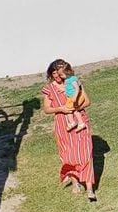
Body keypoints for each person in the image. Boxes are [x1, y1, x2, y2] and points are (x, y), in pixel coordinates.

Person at [41, 59, 97, 202]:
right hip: (63, 125)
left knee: (86, 153)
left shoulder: (73, 82)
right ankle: (75, 182)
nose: (57, 76)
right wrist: (61, 108)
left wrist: (74, 108)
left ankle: (90, 189)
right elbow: (46, 109)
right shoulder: (49, 89)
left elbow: (87, 101)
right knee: (68, 155)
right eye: (54, 73)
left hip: (80, 121)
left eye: (59, 72)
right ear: (51, 74)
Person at [57, 62, 86, 132]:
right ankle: (81, 123)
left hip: (74, 97)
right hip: (72, 97)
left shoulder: (72, 79)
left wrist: (75, 97)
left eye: (61, 75)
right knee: (75, 111)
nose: (61, 76)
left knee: (68, 110)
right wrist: (64, 90)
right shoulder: (67, 79)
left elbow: (77, 88)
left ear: (67, 72)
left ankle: (72, 122)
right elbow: (70, 88)